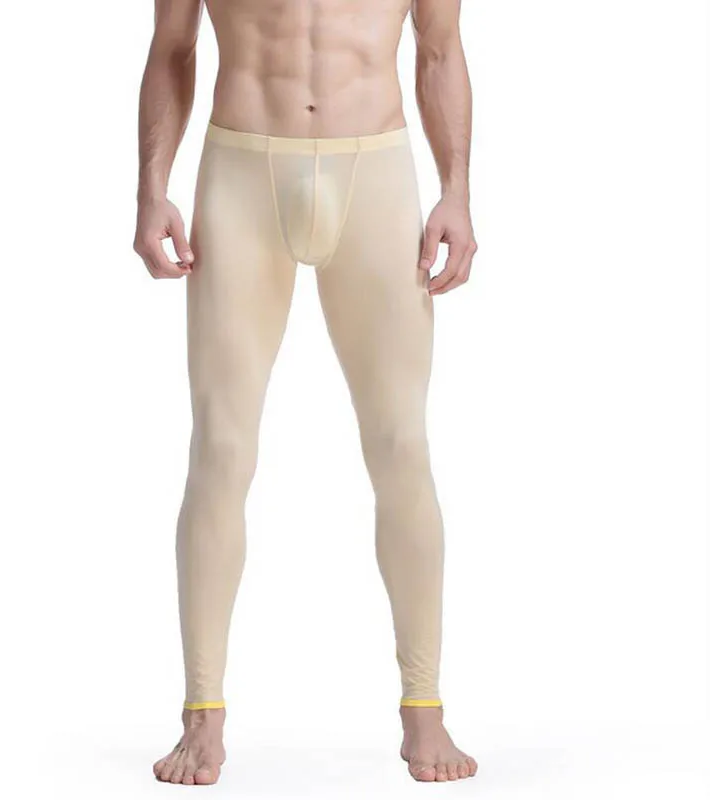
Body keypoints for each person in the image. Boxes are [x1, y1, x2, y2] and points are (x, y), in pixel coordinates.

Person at [133, 0, 478, 786]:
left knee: (401, 444)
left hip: (376, 173)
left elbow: (440, 48)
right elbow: (172, 45)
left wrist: (455, 192)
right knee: (221, 448)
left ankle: (424, 705)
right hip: (241, 174)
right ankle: (202, 712)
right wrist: (152, 189)